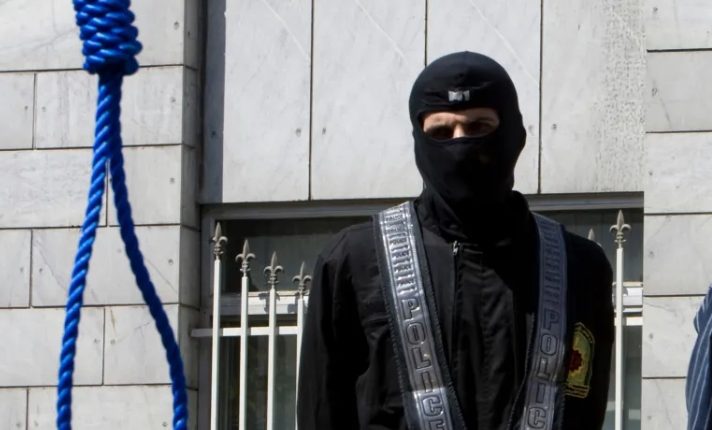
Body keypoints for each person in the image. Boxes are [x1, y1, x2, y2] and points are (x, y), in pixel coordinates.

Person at [297, 51, 613, 430]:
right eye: (441, 133)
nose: (460, 146)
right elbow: (322, 411)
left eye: (478, 127)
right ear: (419, 141)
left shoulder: (580, 267)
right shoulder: (355, 262)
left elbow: (585, 408)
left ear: (515, 135)